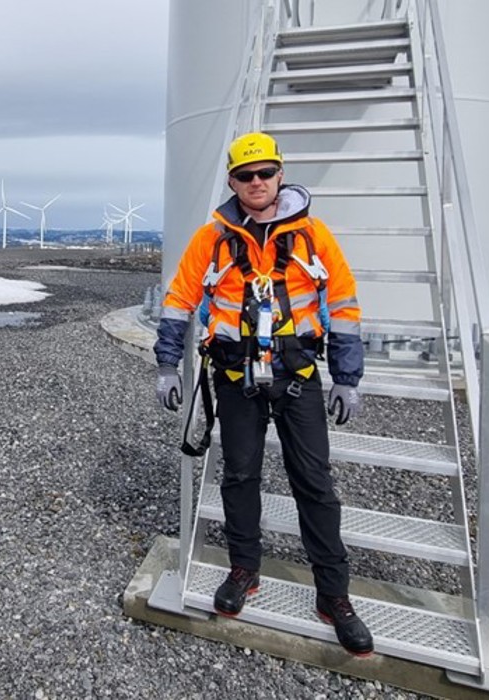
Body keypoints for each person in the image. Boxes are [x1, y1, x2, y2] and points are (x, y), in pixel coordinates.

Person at [153, 132, 373, 656]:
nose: (256, 183)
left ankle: (334, 595)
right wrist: (166, 364)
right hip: (234, 381)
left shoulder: (314, 236)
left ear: (280, 176)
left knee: (314, 484)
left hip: (297, 378)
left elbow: (342, 304)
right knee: (240, 476)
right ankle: (243, 570)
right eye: (246, 176)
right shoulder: (212, 238)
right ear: (232, 181)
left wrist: (347, 376)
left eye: (265, 173)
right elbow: (180, 298)